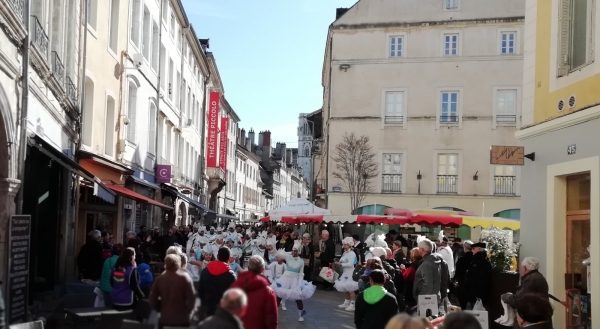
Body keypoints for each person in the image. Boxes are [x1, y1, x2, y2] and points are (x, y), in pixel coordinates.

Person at [230, 255, 278, 329]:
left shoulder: (235, 287)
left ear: (248, 268)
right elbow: (272, 320)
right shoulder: (269, 292)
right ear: (262, 270)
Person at [271, 245, 317, 322]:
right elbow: (277, 254)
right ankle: (275, 315)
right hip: (285, 279)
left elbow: (301, 273)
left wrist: (299, 285)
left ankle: (301, 314)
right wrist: (273, 246)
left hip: (295, 279)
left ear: (299, 252)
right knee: (279, 296)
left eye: (295, 251)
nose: (293, 252)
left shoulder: (301, 261)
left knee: (298, 298)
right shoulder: (288, 257)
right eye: (293, 250)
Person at [149, 254, 196, 328]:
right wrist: (188, 311)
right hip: (183, 318)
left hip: (166, 318)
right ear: (178, 263)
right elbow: (192, 299)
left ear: (166, 264)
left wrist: (161, 308)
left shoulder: (160, 279)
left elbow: (152, 300)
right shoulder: (184, 278)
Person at [198, 246, 237, 317]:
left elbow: (200, 292)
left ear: (217, 256)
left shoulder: (205, 271)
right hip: (224, 312)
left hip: (208, 310)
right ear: (228, 258)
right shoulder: (231, 275)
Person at [463, 242, 492, 310]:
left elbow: (482, 280)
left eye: (473, 248)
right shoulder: (478, 260)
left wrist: (478, 295)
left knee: (476, 314)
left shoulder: (481, 262)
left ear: (479, 249)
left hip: (476, 295)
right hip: (474, 294)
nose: (472, 250)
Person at [334, 237, 359, 311]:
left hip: (350, 273)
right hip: (345, 272)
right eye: (344, 244)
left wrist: (341, 264)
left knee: (351, 289)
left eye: (346, 245)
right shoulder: (345, 253)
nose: (344, 246)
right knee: (346, 288)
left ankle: (352, 304)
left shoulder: (351, 253)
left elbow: (350, 264)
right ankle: (346, 302)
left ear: (349, 245)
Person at [99, 243, 124, 308]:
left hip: (104, 287)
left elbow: (103, 274)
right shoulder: (121, 262)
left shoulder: (107, 260)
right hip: (114, 289)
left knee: (107, 307)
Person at [454, 240, 474, 309]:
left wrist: (457, 282)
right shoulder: (475, 259)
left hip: (462, 285)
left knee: (463, 305)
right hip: (472, 286)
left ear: (465, 248)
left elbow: (457, 273)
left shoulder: (461, 260)